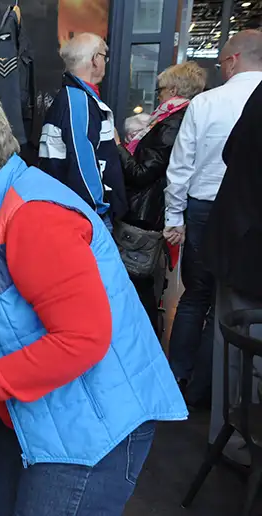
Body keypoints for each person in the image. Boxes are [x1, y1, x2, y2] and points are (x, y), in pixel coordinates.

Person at [0, 81, 187, 516]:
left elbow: (82, 340)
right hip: (48, 416)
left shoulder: (33, 218)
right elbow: (30, 309)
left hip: (89, 429)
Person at [163, 30, 262, 406]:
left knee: (195, 298)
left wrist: (174, 217)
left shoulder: (205, 104)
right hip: (251, 217)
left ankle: (177, 381)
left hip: (205, 209)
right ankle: (211, 392)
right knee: (235, 308)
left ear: (233, 60)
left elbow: (180, 167)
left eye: (220, 62)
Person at [116, 62, 207, 335]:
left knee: (136, 287)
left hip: (143, 217)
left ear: (174, 90)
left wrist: (116, 146)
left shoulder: (170, 124)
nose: (158, 97)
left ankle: (143, 347)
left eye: (161, 91)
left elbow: (142, 173)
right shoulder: (182, 118)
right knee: (143, 287)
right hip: (152, 213)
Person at [203, 77, 262, 462]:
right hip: (249, 242)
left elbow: (229, 152)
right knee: (247, 351)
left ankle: (230, 442)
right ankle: (242, 446)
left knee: (235, 349)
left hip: (238, 231)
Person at [38, 32, 127, 231]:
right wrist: (97, 211)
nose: (106, 62)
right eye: (104, 56)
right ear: (95, 60)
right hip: (87, 215)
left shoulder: (74, 97)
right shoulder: (78, 101)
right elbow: (82, 161)